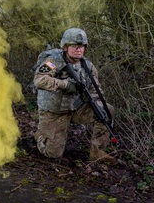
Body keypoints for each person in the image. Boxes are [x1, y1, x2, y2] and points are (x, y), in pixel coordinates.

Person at [32, 27, 114, 162]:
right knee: (53, 154)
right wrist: (65, 85)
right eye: (75, 46)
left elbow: (95, 89)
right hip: (54, 112)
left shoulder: (87, 65)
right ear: (65, 47)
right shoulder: (52, 61)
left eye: (81, 46)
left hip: (75, 109)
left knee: (106, 110)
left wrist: (96, 103)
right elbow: (39, 80)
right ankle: (40, 136)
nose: (79, 49)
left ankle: (98, 151)